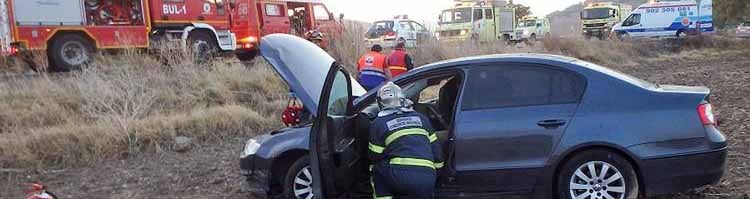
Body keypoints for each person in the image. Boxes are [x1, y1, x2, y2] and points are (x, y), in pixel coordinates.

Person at [368, 82, 443, 199]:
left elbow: (374, 156)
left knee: (376, 169)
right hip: (427, 177)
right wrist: (435, 175)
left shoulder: (378, 123)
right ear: (403, 100)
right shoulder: (422, 119)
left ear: (379, 102)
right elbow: (437, 154)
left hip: (399, 176)